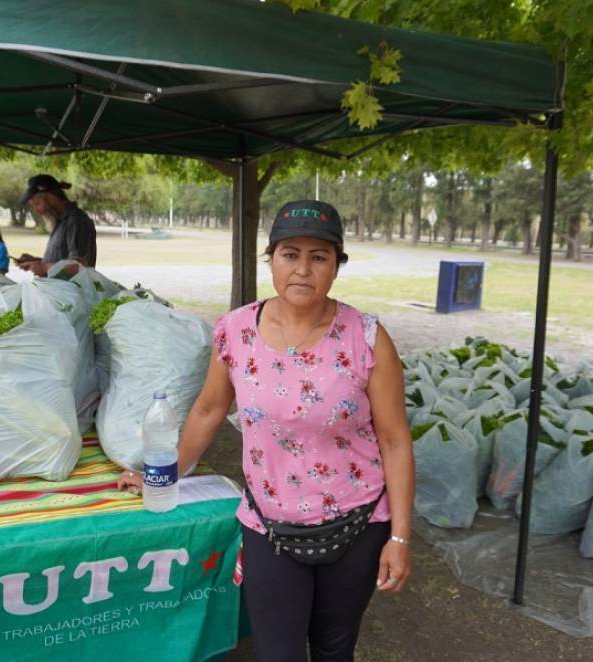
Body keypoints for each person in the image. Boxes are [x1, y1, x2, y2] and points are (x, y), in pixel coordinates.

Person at [119, 200, 414, 661]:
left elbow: (395, 440)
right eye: (290, 254)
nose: (303, 269)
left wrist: (399, 537)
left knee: (335, 648)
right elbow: (209, 410)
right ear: (271, 259)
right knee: (278, 653)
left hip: (358, 525)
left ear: (336, 266)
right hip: (269, 526)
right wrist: (164, 473)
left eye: (319, 257)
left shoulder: (368, 337)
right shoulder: (235, 331)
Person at [16, 174, 96, 277]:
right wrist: (37, 262)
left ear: (51, 197)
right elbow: (62, 260)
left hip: (68, 292)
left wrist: (44, 267)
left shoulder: (76, 221)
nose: (35, 210)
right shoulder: (59, 221)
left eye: (37, 204)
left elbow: (78, 266)